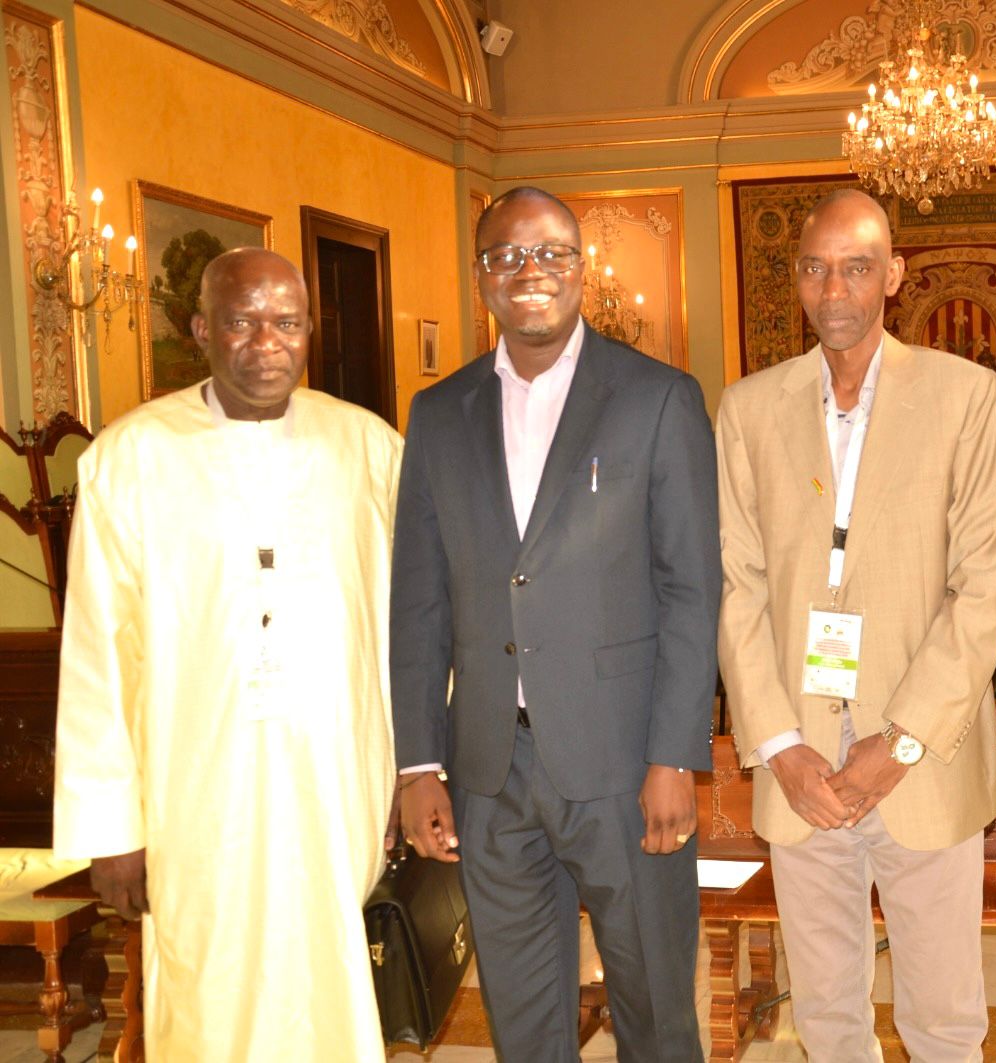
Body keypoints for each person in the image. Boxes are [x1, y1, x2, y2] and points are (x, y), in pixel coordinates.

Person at [391, 186, 719, 1061]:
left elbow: (692, 589)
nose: (529, 269)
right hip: (489, 770)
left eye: (550, 252)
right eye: (506, 254)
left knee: (656, 1016)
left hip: (625, 766)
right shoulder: (439, 413)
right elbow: (418, 600)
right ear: (481, 277)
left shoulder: (657, 398)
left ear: (582, 268)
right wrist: (419, 763)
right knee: (524, 1026)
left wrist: (675, 754)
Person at [52, 248, 402, 1062]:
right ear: (202, 329)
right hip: (194, 790)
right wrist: (112, 827)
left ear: (309, 331)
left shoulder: (368, 448)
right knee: (207, 980)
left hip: (335, 777)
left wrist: (408, 770)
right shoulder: (130, 459)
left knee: (330, 977)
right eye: (241, 321)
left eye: (287, 322)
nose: (266, 343)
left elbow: (409, 623)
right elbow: (100, 653)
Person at [717, 188, 996, 1061]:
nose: (835, 289)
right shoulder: (749, 409)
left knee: (945, 1022)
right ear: (797, 279)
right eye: (816, 268)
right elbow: (737, 585)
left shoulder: (964, 396)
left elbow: (983, 587)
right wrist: (780, 745)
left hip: (921, 759)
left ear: (893, 274)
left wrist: (901, 741)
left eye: (856, 267)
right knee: (827, 1021)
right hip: (802, 767)